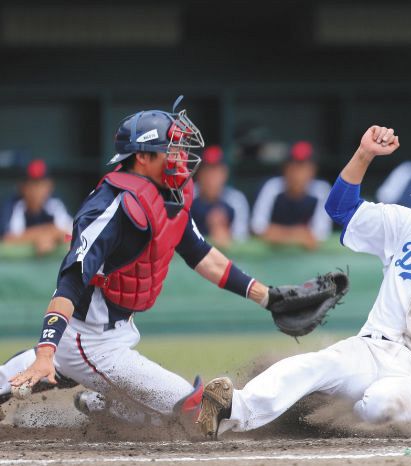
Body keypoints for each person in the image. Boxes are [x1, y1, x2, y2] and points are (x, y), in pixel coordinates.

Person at [0, 100, 322, 426]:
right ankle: (105, 404)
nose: (182, 155)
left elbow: (200, 254)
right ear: (142, 157)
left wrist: (268, 297)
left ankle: (52, 387)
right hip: (88, 339)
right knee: (195, 413)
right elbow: (69, 282)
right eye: (172, 148)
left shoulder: (169, 194)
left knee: (162, 401)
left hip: (116, 331)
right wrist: (45, 352)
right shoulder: (111, 207)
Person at [197, 125, 411, 438]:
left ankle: (335, 410)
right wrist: (364, 154)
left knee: (380, 405)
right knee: (311, 365)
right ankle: (231, 409)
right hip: (369, 347)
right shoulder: (407, 226)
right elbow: (341, 208)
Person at [250, 141, 332, 250]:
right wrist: (298, 234)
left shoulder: (321, 190)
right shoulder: (272, 187)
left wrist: (277, 234)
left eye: (303, 167)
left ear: (313, 170)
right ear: (285, 169)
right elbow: (258, 228)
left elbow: (318, 236)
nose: (297, 174)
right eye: (293, 166)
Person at [0, 158, 73, 255]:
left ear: (50, 186)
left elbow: (72, 236)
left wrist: (53, 236)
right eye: (33, 184)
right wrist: (40, 236)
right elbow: (7, 240)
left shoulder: (55, 204)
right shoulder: (13, 205)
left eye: (42, 184)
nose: (37, 190)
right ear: (22, 187)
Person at [191, 145, 250, 248]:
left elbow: (241, 240)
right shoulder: (186, 196)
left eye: (216, 171)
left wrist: (222, 228)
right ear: (199, 173)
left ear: (225, 174)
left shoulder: (236, 200)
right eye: (207, 170)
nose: (211, 177)